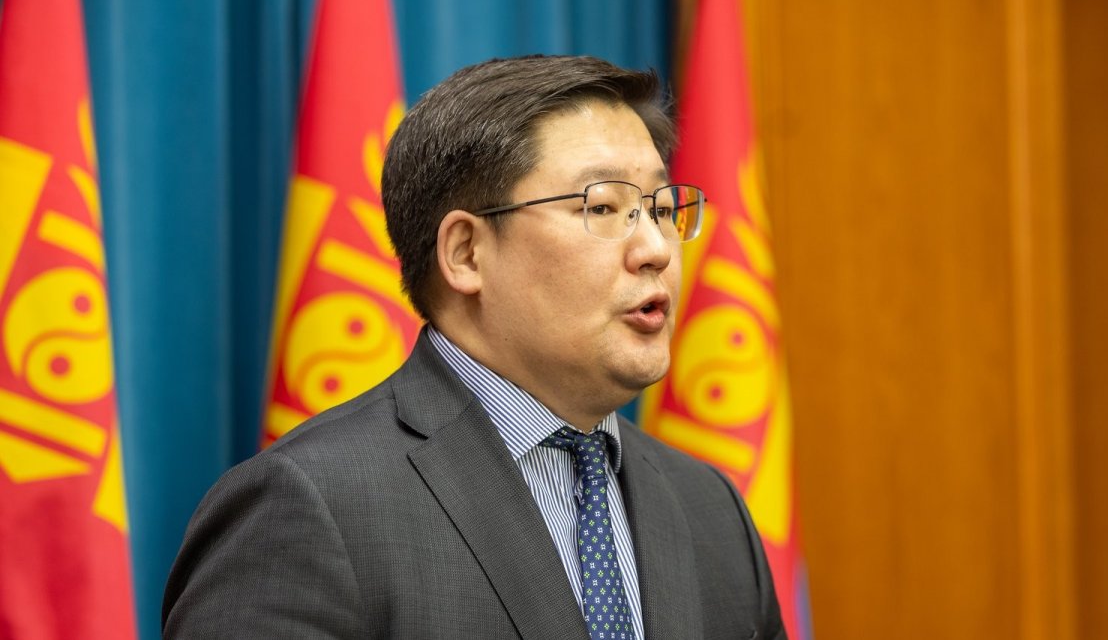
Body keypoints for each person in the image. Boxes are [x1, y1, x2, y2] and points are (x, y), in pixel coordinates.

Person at [162, 55, 785, 639]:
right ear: (465, 254)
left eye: (661, 208)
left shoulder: (711, 508)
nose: (655, 249)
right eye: (602, 207)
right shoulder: (306, 507)